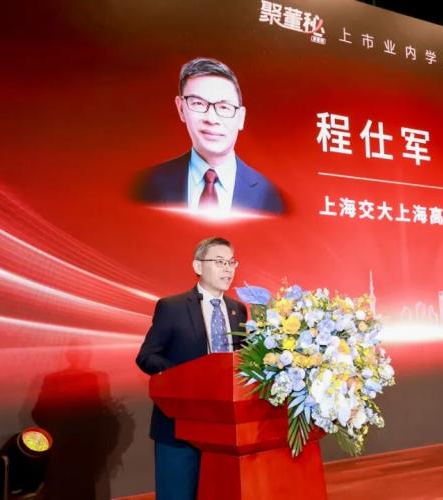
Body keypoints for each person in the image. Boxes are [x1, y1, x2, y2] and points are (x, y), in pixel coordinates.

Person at [136, 237, 247, 500]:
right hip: (179, 426)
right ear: (198, 266)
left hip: (224, 429)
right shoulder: (172, 307)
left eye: (231, 262)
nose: (227, 269)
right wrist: (187, 376)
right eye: (219, 262)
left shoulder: (238, 310)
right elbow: (147, 356)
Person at [134, 57, 284, 214]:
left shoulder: (270, 195)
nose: (211, 119)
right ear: (181, 108)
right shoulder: (147, 184)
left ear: (241, 118)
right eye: (198, 103)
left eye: (224, 107)